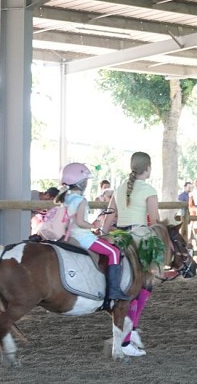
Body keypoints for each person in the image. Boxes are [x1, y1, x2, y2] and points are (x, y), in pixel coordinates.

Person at [101, 151, 160, 357]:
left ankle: (130, 332)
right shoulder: (149, 190)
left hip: (119, 235)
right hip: (140, 236)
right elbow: (155, 220)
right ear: (148, 168)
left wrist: (104, 235)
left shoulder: (119, 189)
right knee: (145, 285)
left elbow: (108, 219)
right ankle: (130, 332)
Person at [56, 163, 129, 301]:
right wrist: (93, 225)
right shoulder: (81, 200)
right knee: (114, 252)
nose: (86, 184)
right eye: (85, 181)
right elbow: (80, 222)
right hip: (83, 238)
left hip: (70, 236)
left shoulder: (66, 198)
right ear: (80, 183)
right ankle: (114, 290)